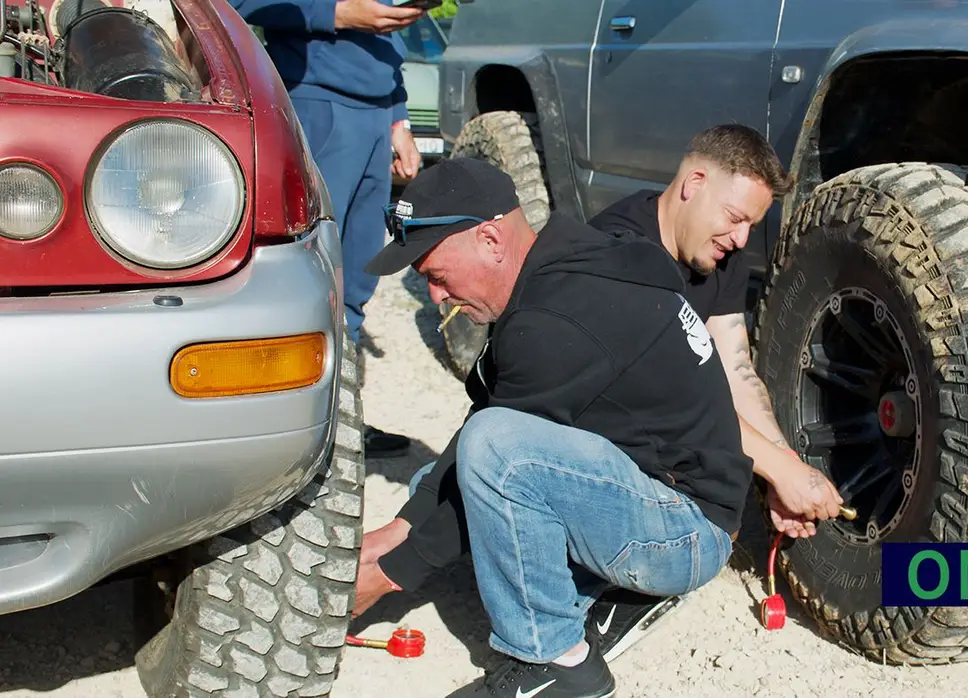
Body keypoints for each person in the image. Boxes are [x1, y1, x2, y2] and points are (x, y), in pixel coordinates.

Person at [357, 157, 755, 697]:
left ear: (491, 241)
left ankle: (556, 662)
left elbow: (492, 444)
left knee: (495, 455)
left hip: (687, 531)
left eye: (434, 274)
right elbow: (482, 426)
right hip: (658, 492)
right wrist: (396, 534)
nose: (435, 296)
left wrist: (384, 577)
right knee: (441, 478)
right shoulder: (564, 260)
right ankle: (601, 590)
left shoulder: (555, 321)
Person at [580, 123, 845, 653]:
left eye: (751, 224)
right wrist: (780, 470)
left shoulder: (716, 254)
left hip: (657, 429)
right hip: (596, 439)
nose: (742, 238)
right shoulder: (619, 250)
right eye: (735, 218)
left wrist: (780, 466)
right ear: (694, 181)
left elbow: (734, 369)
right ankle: (611, 590)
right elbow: (670, 396)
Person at [229, 0, 422, 457]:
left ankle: (342, 421)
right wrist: (336, 14)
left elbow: (385, 41)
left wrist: (398, 118)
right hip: (320, 104)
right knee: (312, 272)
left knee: (357, 276)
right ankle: (289, 429)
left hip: (375, 116)